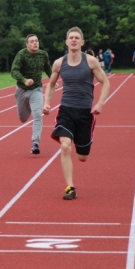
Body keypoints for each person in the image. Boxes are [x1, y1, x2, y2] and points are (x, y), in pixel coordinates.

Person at [43, 27, 110, 200]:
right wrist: (47, 102)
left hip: (85, 112)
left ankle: (86, 140)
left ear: (82, 42)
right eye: (71, 38)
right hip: (65, 110)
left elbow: (105, 82)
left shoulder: (91, 61)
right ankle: (70, 187)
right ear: (66, 42)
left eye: (76, 38)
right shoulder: (59, 63)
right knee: (65, 146)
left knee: (82, 157)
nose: (73, 40)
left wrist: (100, 103)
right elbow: (51, 84)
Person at [11, 34, 53, 155]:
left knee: (38, 115)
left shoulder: (43, 54)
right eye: (32, 41)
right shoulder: (22, 54)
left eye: (36, 41)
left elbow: (48, 68)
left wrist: (52, 80)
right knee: (23, 118)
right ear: (27, 44)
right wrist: (24, 80)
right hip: (22, 90)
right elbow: (14, 71)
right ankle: (28, 106)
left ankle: (35, 143)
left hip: (36, 89)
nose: (35, 43)